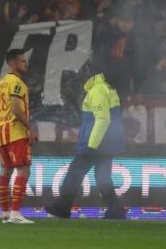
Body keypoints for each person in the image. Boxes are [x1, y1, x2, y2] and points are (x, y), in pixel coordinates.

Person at [45, 70, 126, 220]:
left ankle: (62, 207)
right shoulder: (108, 88)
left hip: (95, 143)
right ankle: (116, 211)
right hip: (107, 142)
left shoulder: (97, 90)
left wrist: (92, 145)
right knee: (103, 178)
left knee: (74, 174)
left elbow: (102, 119)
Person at [0, 49, 36, 224]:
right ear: (12, 63)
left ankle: (5, 213)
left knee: (6, 171)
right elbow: (17, 109)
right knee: (23, 169)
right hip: (16, 131)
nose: (25, 64)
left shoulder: (2, 83)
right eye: (22, 61)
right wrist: (30, 128)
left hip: (2, 132)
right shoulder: (17, 83)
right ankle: (16, 214)